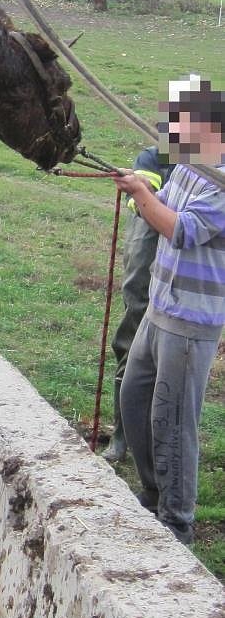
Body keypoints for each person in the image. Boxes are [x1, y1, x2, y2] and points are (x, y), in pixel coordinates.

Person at [116, 75, 225, 545]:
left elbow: (182, 230)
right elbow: (164, 209)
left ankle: (176, 521)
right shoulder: (190, 165)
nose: (169, 129)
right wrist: (144, 187)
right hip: (160, 306)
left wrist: (142, 197)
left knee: (174, 423)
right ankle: (154, 492)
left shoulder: (221, 179)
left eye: (177, 120)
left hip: (190, 321)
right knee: (135, 400)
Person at [103, 142, 173, 463]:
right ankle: (121, 436)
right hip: (146, 271)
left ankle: (163, 444)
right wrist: (141, 192)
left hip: (187, 278)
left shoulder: (212, 165)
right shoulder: (153, 155)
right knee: (129, 346)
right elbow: (141, 192)